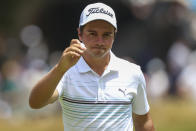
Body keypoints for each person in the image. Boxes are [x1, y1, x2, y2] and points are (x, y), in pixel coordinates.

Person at [29, 2, 155, 131]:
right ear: (80, 34)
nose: (99, 42)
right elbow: (35, 102)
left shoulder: (132, 72)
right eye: (93, 34)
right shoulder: (65, 71)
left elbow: (143, 122)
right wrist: (60, 69)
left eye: (106, 35)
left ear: (114, 35)